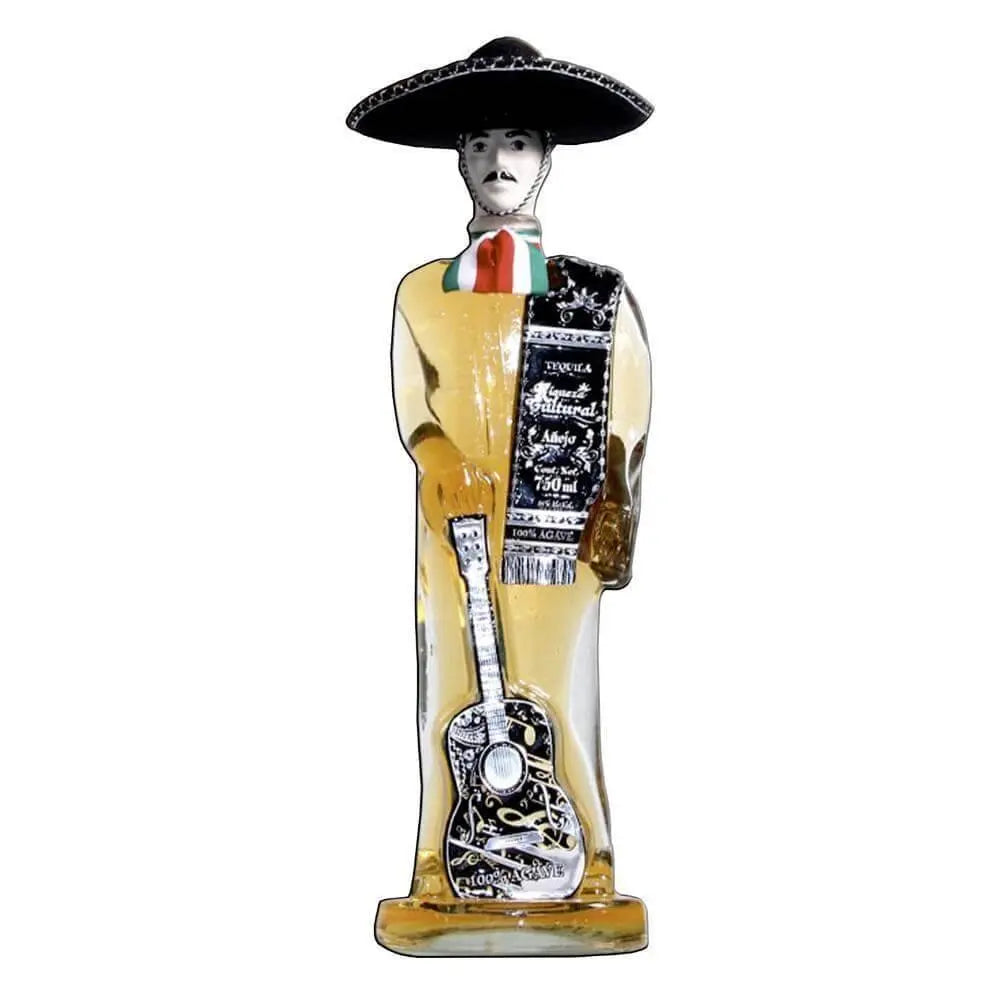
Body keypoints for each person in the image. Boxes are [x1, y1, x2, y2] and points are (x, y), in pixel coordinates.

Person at [347, 37, 654, 956]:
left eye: (517, 142)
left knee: (564, 691)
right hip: (457, 534)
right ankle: (442, 868)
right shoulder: (420, 293)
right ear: (459, 159)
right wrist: (436, 453)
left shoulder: (595, 296)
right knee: (451, 690)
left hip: (558, 531)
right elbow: (415, 403)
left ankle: (585, 864)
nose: (498, 161)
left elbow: (628, 407)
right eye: (480, 143)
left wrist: (618, 499)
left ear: (547, 157)